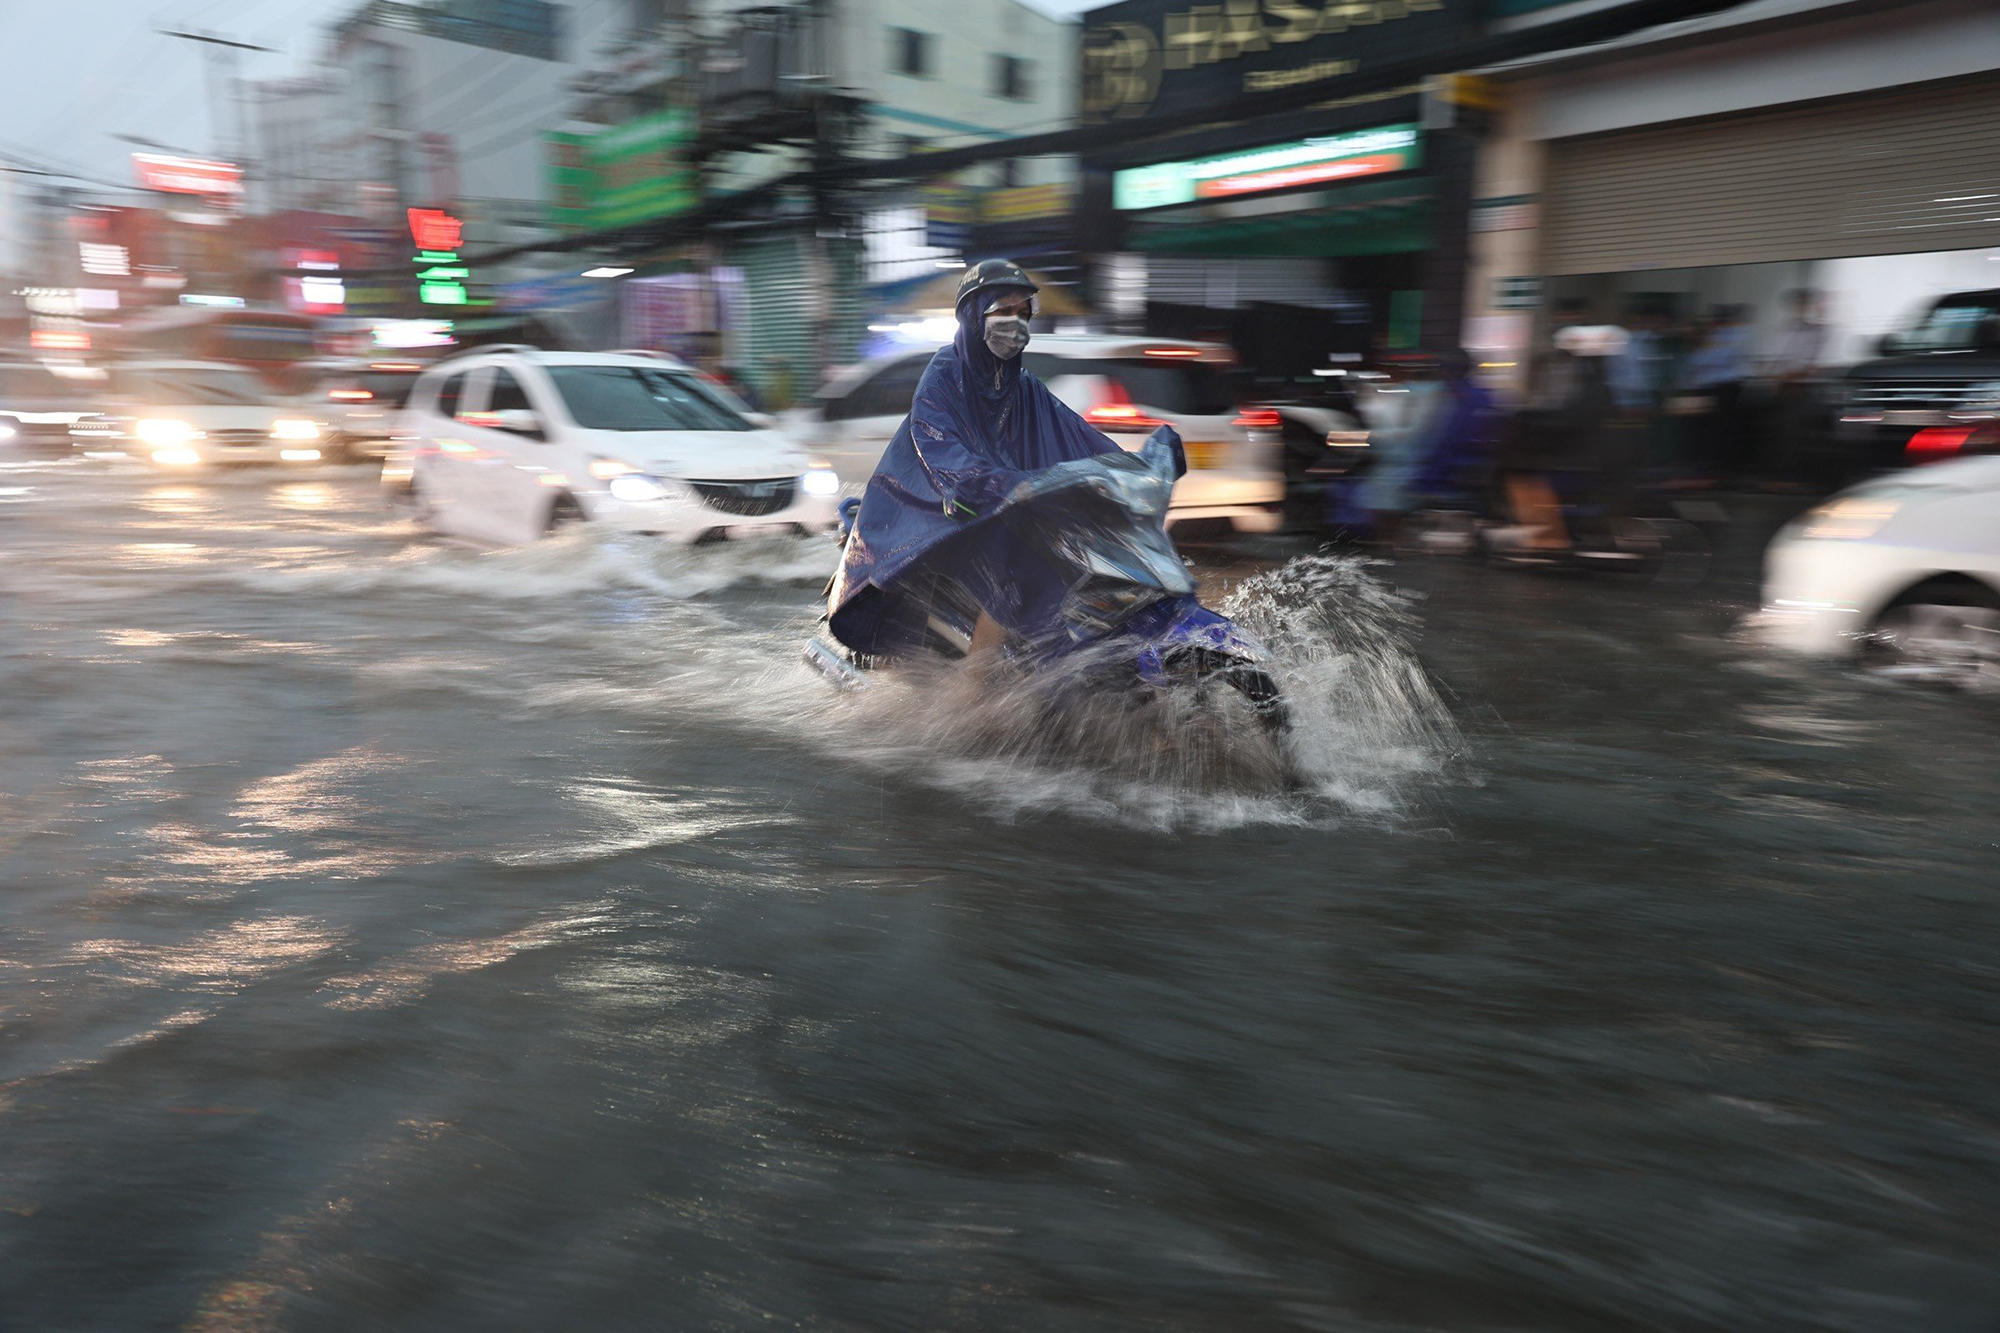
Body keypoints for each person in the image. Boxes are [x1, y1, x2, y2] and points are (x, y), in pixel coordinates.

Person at [826, 259, 1173, 659]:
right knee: (1016, 572)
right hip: (932, 507)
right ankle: (977, 693)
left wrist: (1134, 470)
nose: (1016, 322)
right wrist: (986, 481)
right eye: (1004, 311)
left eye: (1024, 313)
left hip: (1000, 504)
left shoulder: (1023, 387)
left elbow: (1079, 434)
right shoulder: (944, 375)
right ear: (974, 315)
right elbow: (939, 445)